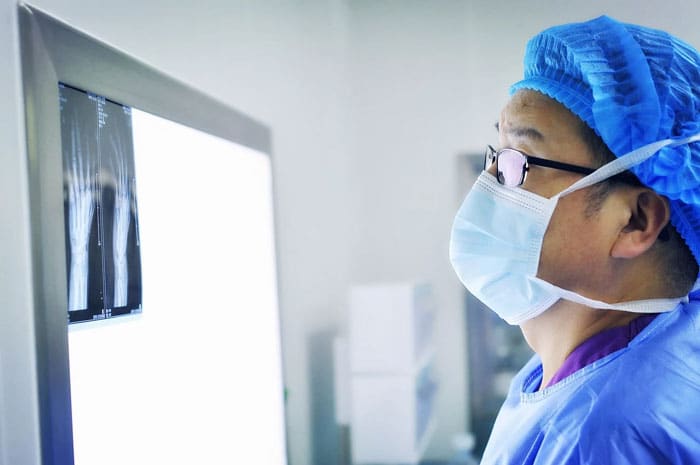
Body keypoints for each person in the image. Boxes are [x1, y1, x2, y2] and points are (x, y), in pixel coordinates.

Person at [449, 15, 700, 464]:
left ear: (635, 222)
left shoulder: (607, 436)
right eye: (498, 155)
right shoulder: (570, 369)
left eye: (521, 161)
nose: (488, 182)